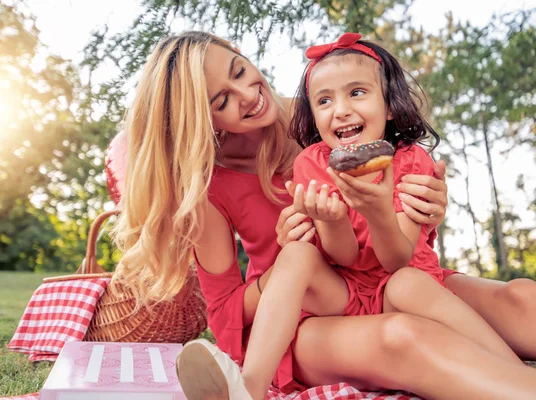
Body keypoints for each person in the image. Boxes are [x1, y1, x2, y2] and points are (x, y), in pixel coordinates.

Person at [112, 31, 536, 400]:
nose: (248, 95)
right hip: (309, 316)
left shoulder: (329, 113)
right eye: (222, 100)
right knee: (404, 337)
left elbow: (402, 250)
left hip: (392, 279)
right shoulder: (209, 188)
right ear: (204, 117)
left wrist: (429, 206)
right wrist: (286, 259)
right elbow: (223, 315)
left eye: (240, 71)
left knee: (519, 298)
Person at [286, 32, 520, 363]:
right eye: (324, 101)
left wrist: (378, 210)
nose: (340, 110)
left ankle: (511, 369)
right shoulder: (311, 163)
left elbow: (397, 261)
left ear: (390, 106)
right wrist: (332, 219)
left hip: (410, 292)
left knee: (405, 283)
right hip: (349, 299)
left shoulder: (411, 161)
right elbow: (344, 258)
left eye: (356, 92)